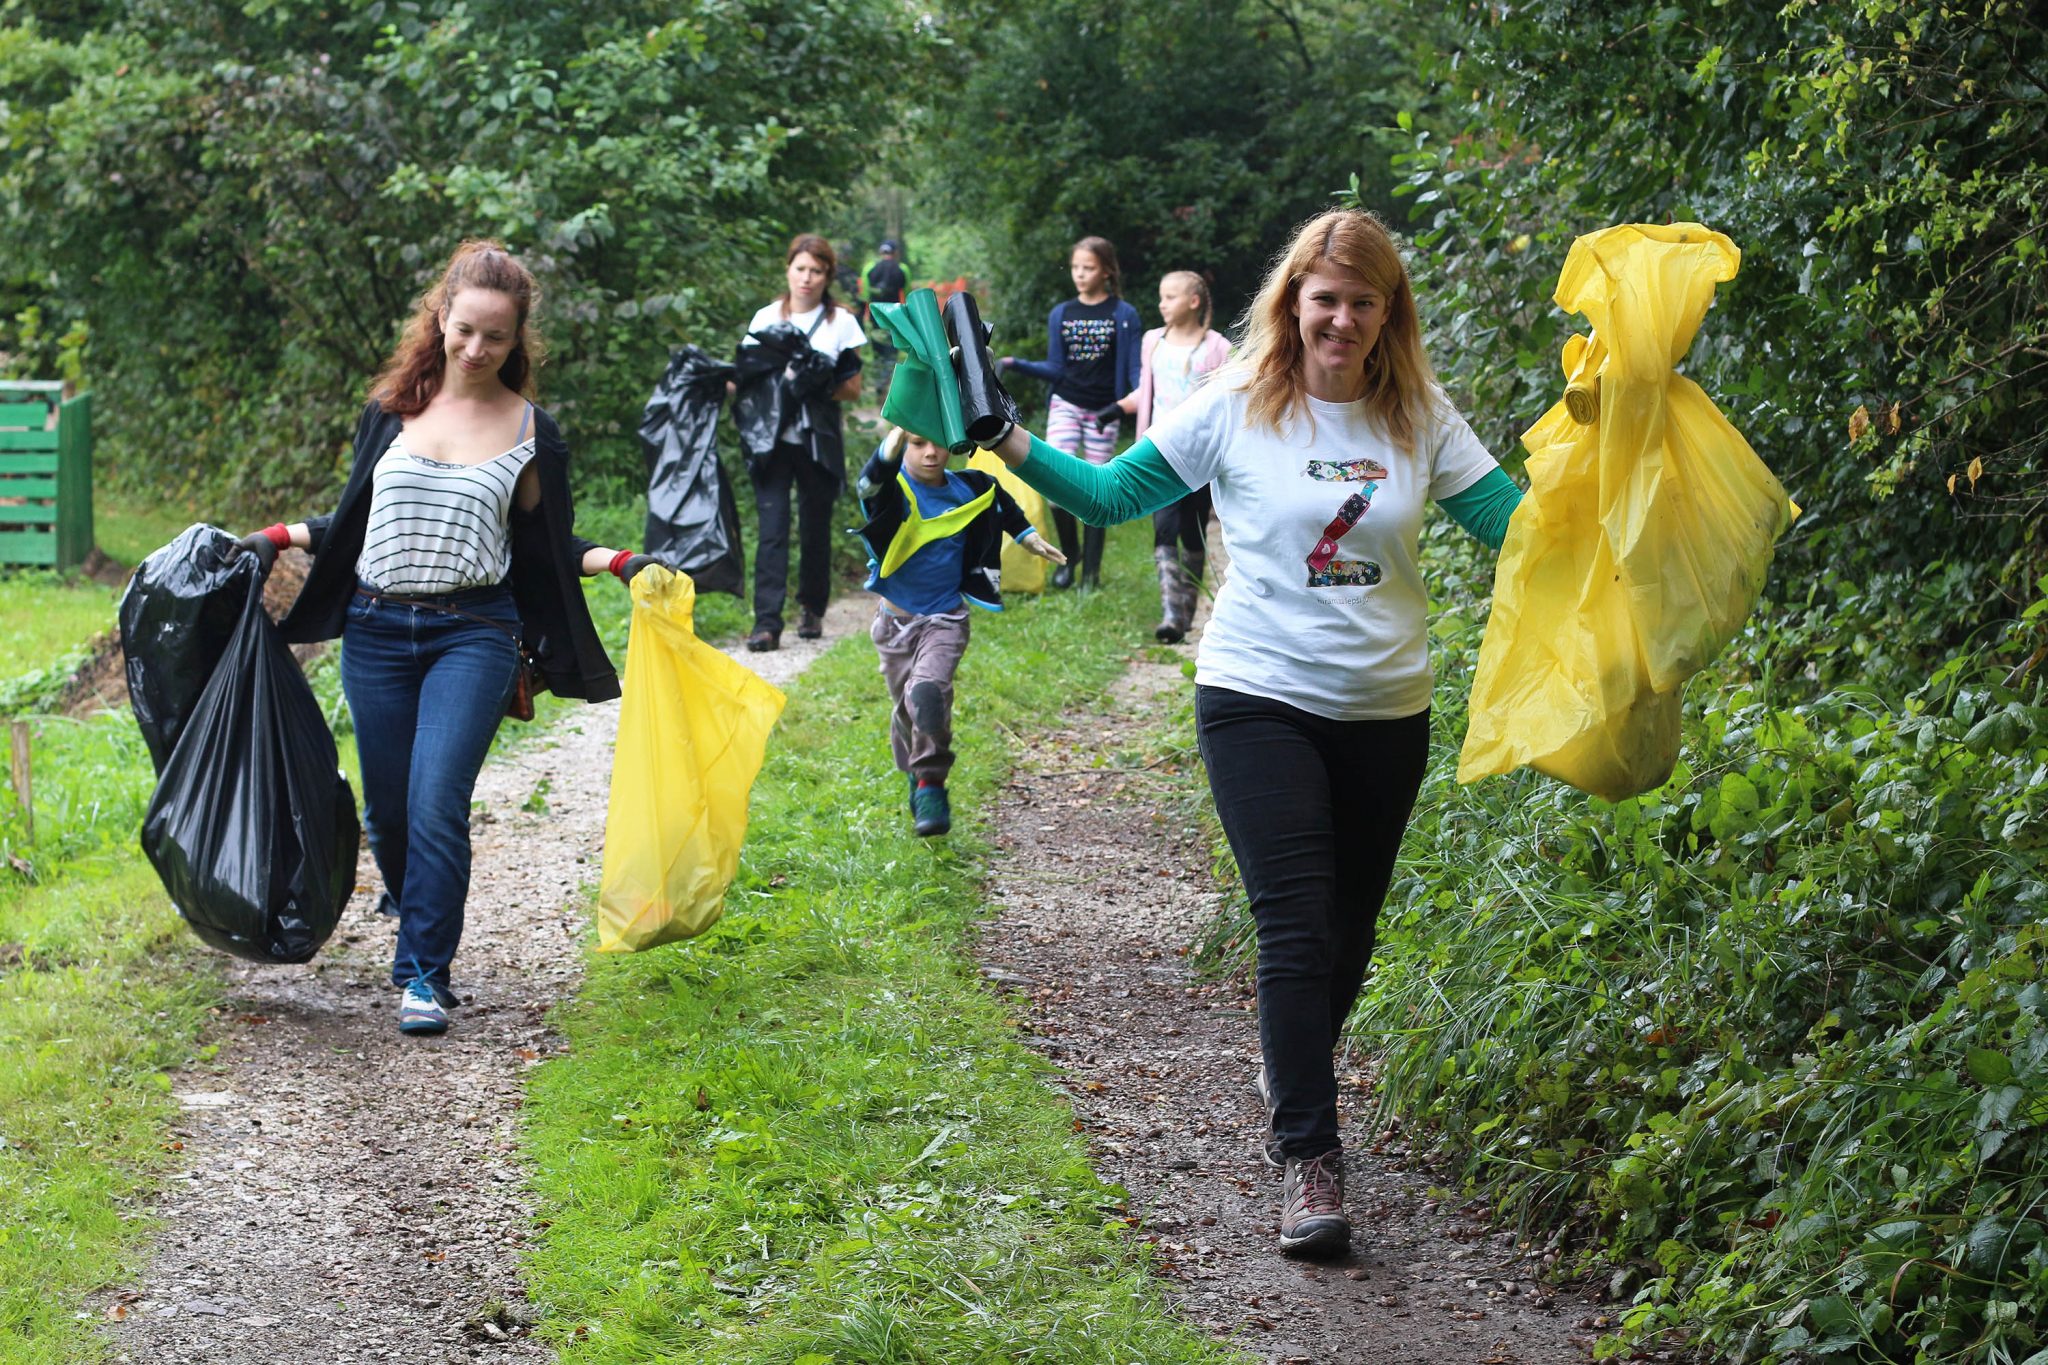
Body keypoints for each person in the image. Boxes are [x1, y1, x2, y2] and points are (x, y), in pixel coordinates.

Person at [980, 209, 1525, 1258]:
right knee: (1293, 922)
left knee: (1350, 929)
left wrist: (1615, 477)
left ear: (1385, 314)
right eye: (1324, 300)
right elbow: (1111, 488)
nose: (1341, 319)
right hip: (1256, 692)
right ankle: (1310, 1162)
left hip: (1384, 706)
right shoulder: (1238, 402)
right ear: (1292, 304)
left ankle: (1296, 1060)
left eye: (1362, 302)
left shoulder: (1417, 415)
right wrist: (1006, 438)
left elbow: (1515, 526)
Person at [230, 240, 653, 1037]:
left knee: (434, 805)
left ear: (517, 338)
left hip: (475, 633)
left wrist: (622, 561)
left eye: (496, 336)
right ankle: (414, 908)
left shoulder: (532, 432)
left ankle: (425, 971)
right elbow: (350, 521)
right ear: (441, 318)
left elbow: (547, 546)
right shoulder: (390, 411)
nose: (477, 348)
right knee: (388, 816)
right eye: (465, 329)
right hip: (377, 630)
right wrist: (275, 536)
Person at [854, 427, 1065, 837]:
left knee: (928, 692)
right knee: (904, 711)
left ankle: (932, 782)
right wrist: (894, 439)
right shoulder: (893, 491)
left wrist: (1028, 537)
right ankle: (916, 776)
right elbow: (868, 483)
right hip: (894, 624)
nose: (930, 453)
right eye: (917, 443)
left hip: (945, 619)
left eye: (937, 442)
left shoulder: (970, 487)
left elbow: (999, 502)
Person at [738, 233, 866, 652]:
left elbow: (853, 388)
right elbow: (748, 379)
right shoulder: (765, 318)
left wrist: (813, 381)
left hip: (818, 439)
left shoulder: (841, 322)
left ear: (827, 275)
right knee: (772, 527)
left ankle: (812, 607)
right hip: (772, 441)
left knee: (815, 527)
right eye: (801, 269)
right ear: (788, 270)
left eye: (816, 271)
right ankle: (767, 623)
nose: (807, 278)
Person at [1094, 269, 1232, 641]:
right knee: (1164, 530)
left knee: (1193, 531)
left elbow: (1228, 402)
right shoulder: (1154, 341)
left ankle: (1187, 609)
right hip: (1157, 454)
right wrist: (1115, 409)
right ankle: (1171, 614)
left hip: (1199, 458)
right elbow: (1147, 392)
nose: (1161, 303)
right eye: (1161, 296)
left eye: (1170, 297)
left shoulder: (1218, 347)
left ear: (1193, 301)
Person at [998, 235, 1142, 589]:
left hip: (1103, 409)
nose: (1079, 274)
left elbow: (1137, 374)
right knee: (1054, 481)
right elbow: (1056, 368)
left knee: (1098, 489)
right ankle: (1070, 557)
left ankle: (1091, 572)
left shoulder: (1123, 315)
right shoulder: (1061, 313)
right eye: (1076, 267)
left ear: (1106, 271)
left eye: (1088, 268)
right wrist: (1015, 363)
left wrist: (1134, 402)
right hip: (1065, 402)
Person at [865, 238, 908, 401]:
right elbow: (908, 292)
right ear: (895, 253)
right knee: (891, 351)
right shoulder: (902, 268)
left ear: (880, 252)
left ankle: (878, 385)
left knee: (877, 352)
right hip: (894, 318)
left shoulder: (870, 268)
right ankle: (887, 385)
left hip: (876, 317)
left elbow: (864, 293)